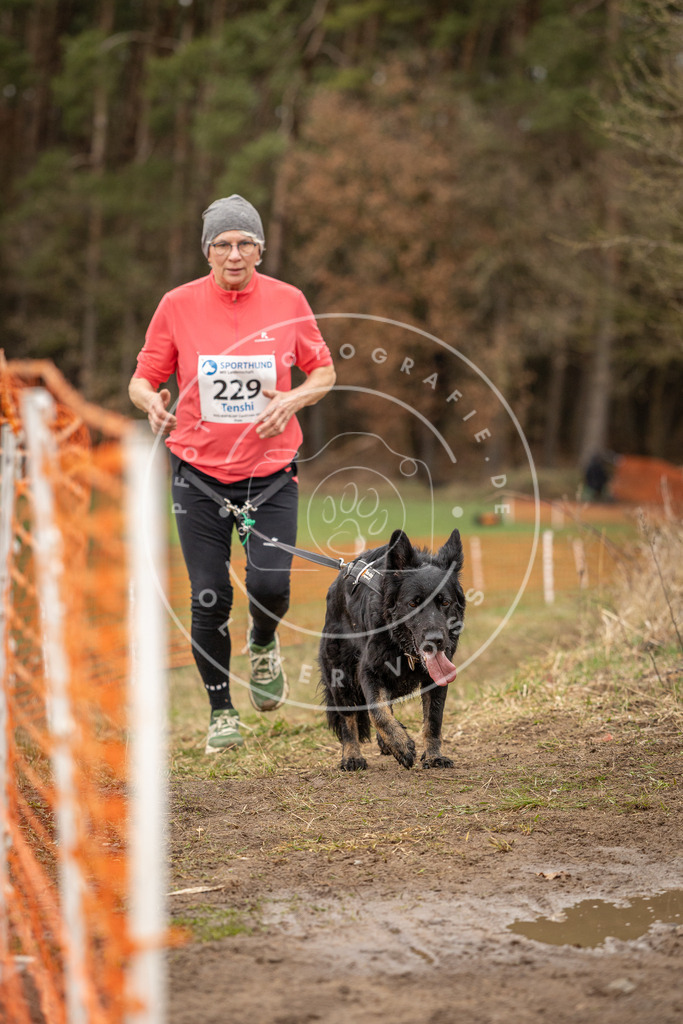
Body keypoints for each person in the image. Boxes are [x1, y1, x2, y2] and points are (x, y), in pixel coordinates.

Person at [129, 194, 335, 754]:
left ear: (261, 250)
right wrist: (151, 402)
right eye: (223, 243)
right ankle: (222, 711)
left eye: (246, 242)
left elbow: (324, 371)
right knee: (209, 596)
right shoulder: (177, 305)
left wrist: (291, 400)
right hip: (196, 473)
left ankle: (263, 641)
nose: (235, 253)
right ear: (207, 251)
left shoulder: (290, 301)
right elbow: (142, 378)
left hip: (269, 474)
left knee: (269, 585)